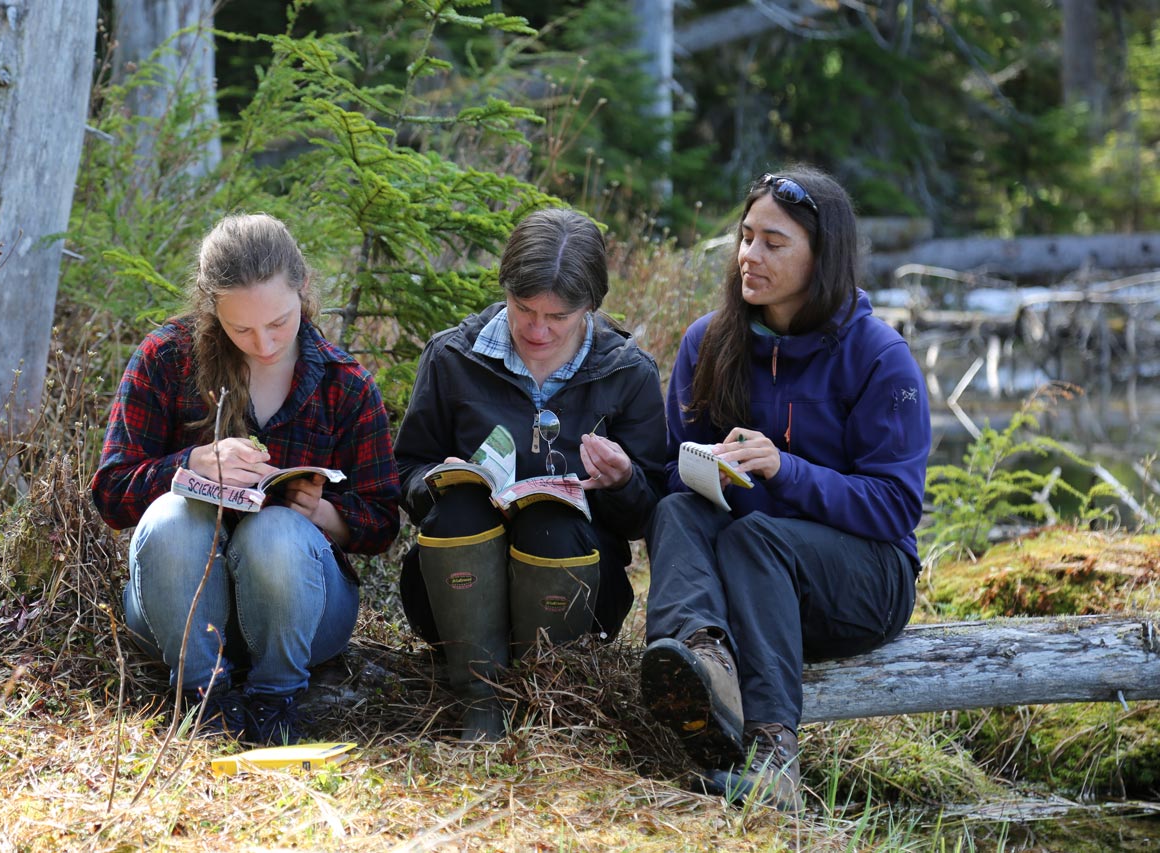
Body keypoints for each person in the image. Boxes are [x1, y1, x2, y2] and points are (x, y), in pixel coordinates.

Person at [640, 167, 931, 812]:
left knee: (756, 537)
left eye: (774, 243)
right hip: (753, 581)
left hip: (865, 582)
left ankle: (775, 762)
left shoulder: (879, 357)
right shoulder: (707, 342)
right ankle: (702, 665)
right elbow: (671, 474)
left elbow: (895, 507)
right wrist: (705, 468)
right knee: (677, 510)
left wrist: (785, 469)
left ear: (822, 257)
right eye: (746, 237)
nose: (750, 255)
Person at [91, 213, 400, 745]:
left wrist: (321, 513)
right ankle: (201, 700)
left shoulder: (344, 385)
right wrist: (189, 464)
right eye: (241, 329)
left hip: (303, 618)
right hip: (175, 614)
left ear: (303, 288)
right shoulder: (167, 359)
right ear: (212, 307)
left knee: (275, 531)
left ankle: (276, 701)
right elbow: (111, 495)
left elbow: (382, 525)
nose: (264, 343)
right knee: (172, 518)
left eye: (279, 322)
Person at [395, 207, 668, 742]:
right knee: (460, 510)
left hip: (582, 590)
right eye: (523, 309)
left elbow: (647, 514)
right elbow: (406, 468)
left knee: (553, 524)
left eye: (558, 317)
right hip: (456, 589)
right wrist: (434, 480)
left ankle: (548, 700)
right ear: (506, 291)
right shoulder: (453, 357)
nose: (537, 329)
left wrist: (623, 482)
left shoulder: (628, 373)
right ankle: (478, 697)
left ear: (590, 307)